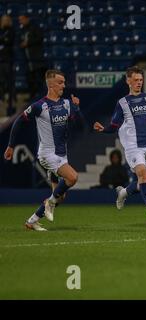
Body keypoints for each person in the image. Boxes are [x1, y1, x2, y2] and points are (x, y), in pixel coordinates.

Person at [4, 69, 82, 231]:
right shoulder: (40, 106)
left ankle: (32, 221)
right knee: (73, 177)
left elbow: (78, 125)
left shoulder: (66, 103)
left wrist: (75, 107)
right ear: (51, 84)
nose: (64, 85)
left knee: (60, 197)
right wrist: (11, 145)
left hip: (62, 155)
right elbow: (18, 121)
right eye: (60, 82)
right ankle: (49, 203)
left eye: (64, 82)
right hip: (48, 154)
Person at [93, 66, 146, 226]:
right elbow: (114, 125)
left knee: (144, 181)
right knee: (142, 176)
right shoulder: (122, 103)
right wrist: (103, 129)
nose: (139, 83)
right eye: (135, 80)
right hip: (135, 146)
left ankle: (123, 192)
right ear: (128, 81)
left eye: (141, 80)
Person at [18, 14, 46, 100]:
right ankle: (32, 97)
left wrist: (28, 43)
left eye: (22, 19)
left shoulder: (34, 27)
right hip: (27, 59)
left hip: (36, 58)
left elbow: (39, 38)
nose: (20, 21)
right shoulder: (22, 30)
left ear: (27, 19)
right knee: (30, 79)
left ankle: (42, 96)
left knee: (39, 78)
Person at [0, 15, 15, 112]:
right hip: (0, 60)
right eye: (3, 20)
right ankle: (1, 98)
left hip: (7, 60)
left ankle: (11, 103)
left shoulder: (11, 30)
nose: (5, 22)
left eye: (6, 20)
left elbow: (9, 41)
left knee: (9, 82)